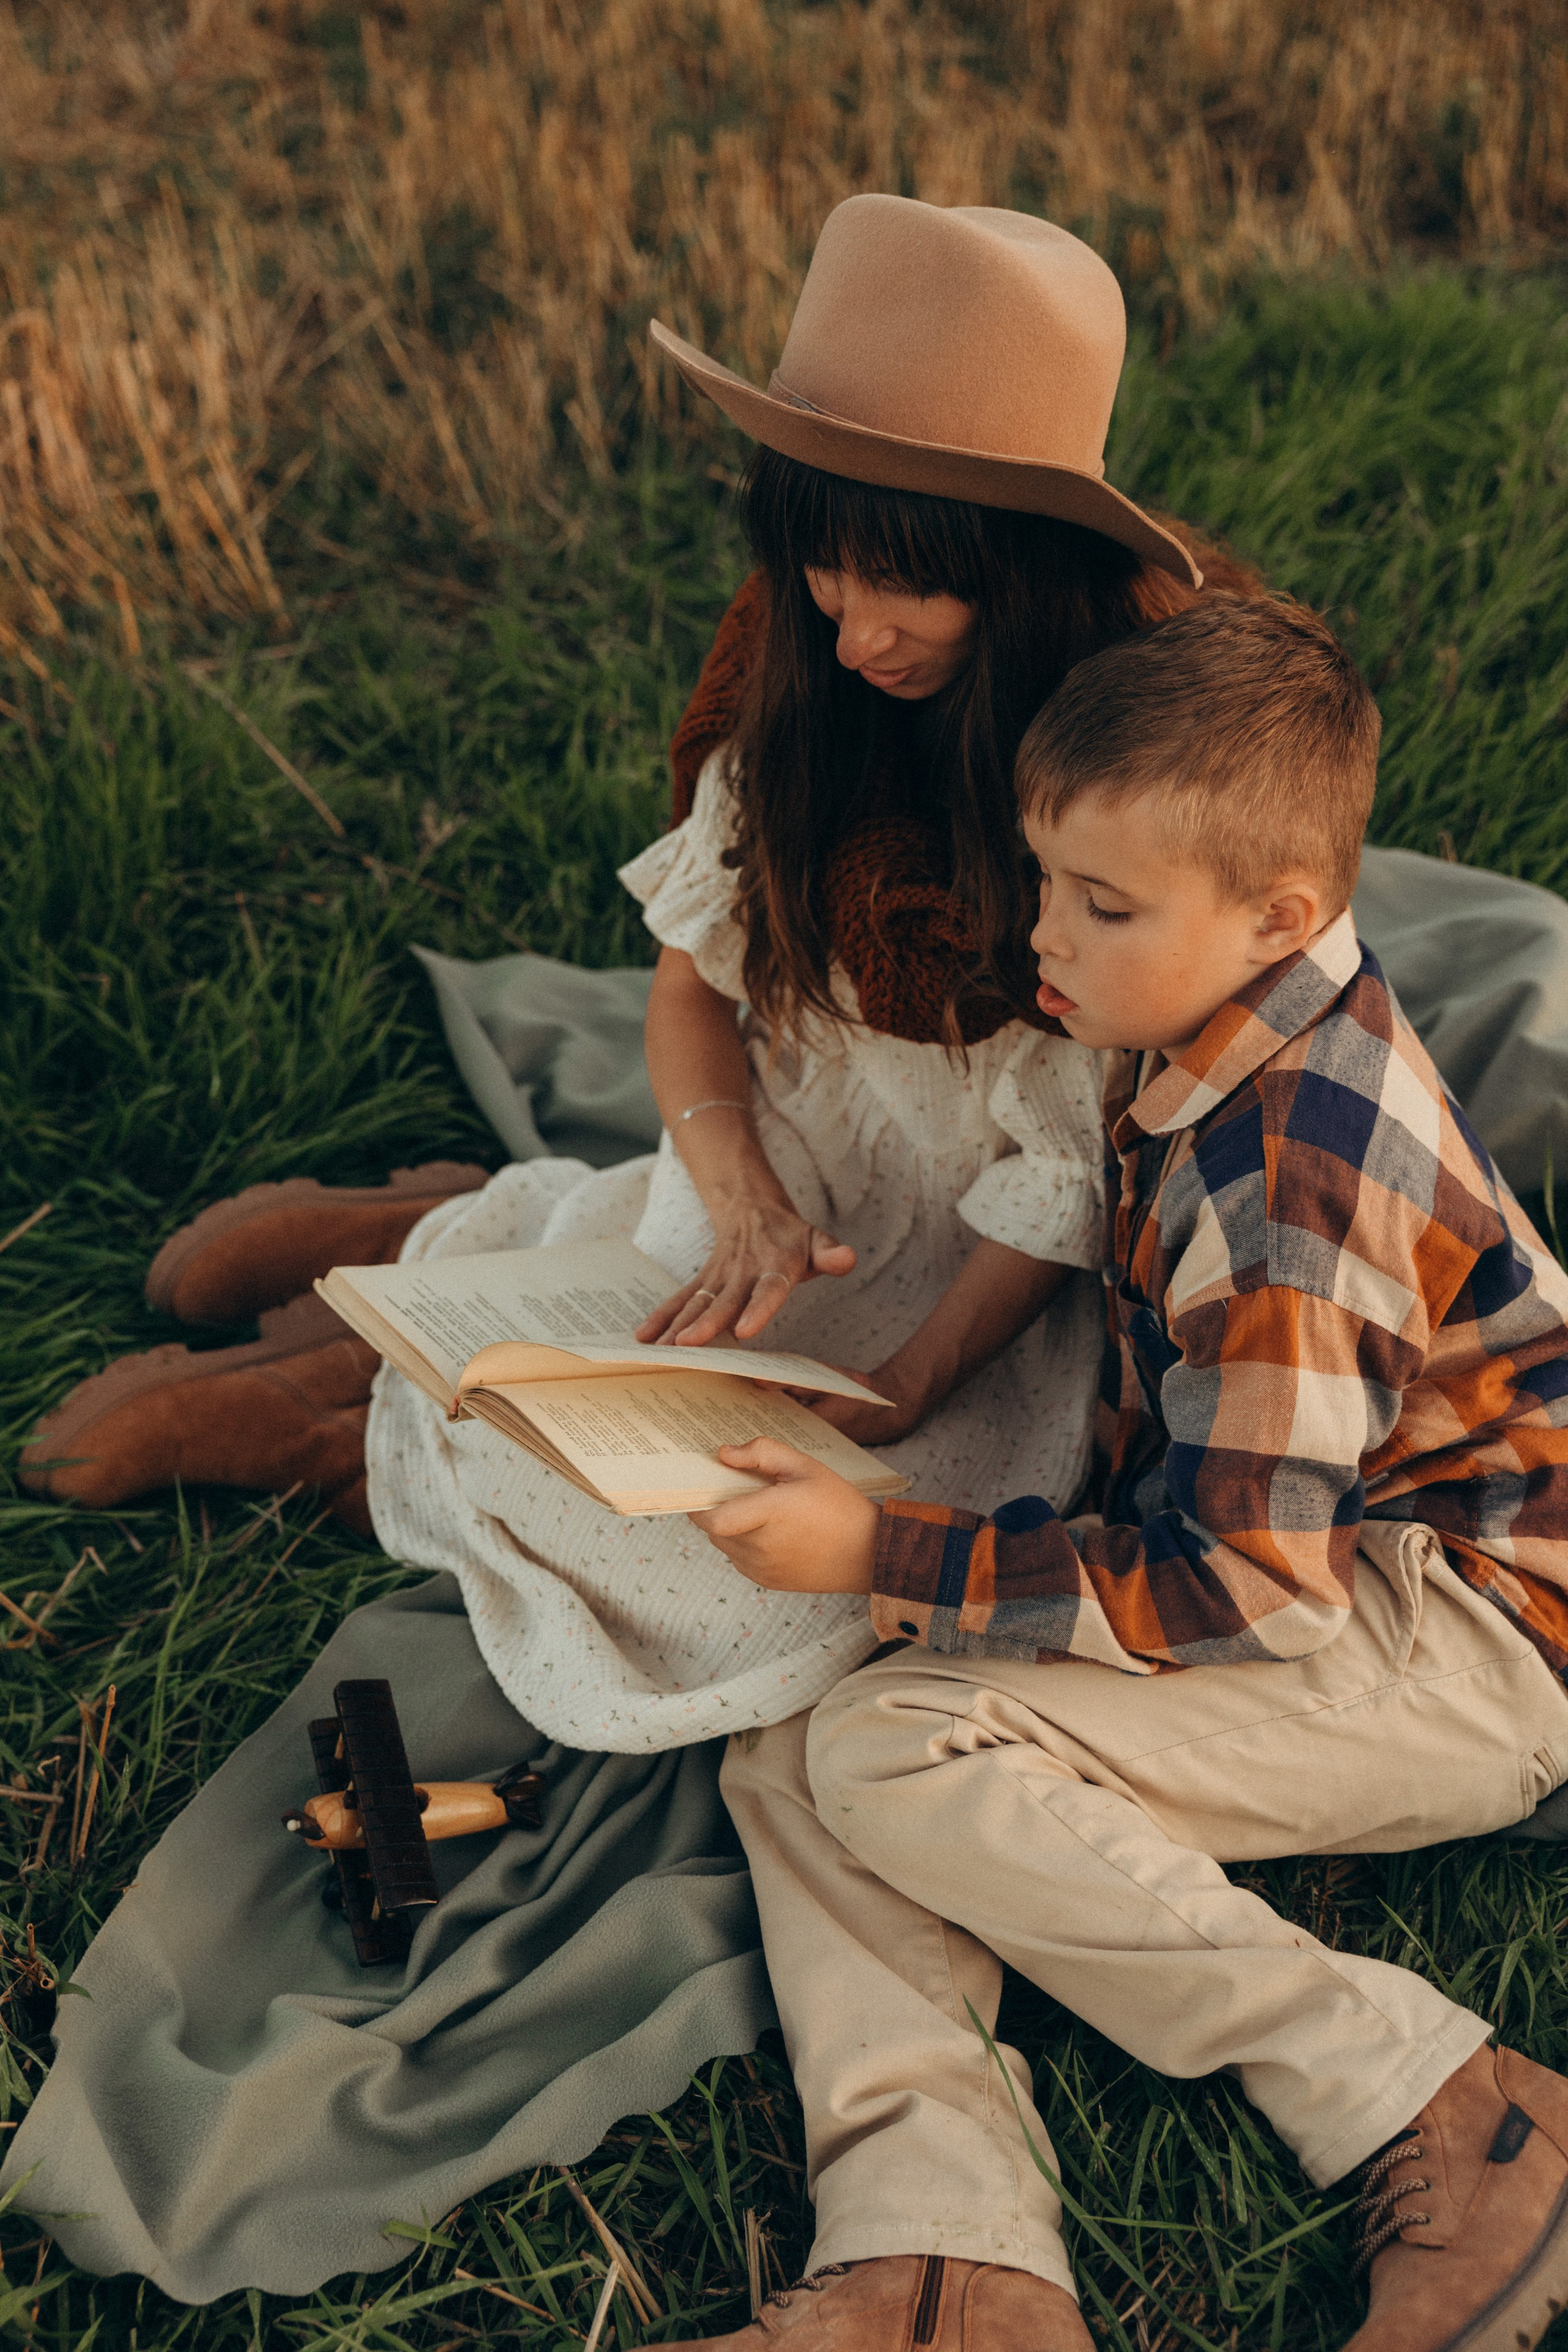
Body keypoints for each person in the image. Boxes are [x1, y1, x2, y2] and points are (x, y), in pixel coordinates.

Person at [21, 196, 1257, 1754]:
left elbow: (1063, 1178)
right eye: (823, 570)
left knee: (763, 1589)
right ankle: (348, 1356)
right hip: (779, 1167)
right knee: (631, 1332)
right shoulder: (798, 704)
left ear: (1020, 577)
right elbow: (690, 1000)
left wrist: (902, 1379)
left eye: (910, 592)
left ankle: (369, 1392)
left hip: (979, 1279)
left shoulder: (1098, 806)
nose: (858, 630)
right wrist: (733, 1176)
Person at [686, 598, 1568, 2352]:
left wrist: (888, 1547)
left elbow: (1242, 1588)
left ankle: (1446, 2102)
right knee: (789, 1739)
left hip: (1476, 1625)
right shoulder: (1196, 1013)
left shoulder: (1292, 1196)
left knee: (891, 1736)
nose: (1041, 937)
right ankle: (948, 2263)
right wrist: (917, 1413)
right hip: (1305, 1539)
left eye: (1100, 904)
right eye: (1041, 878)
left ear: (1281, 915)